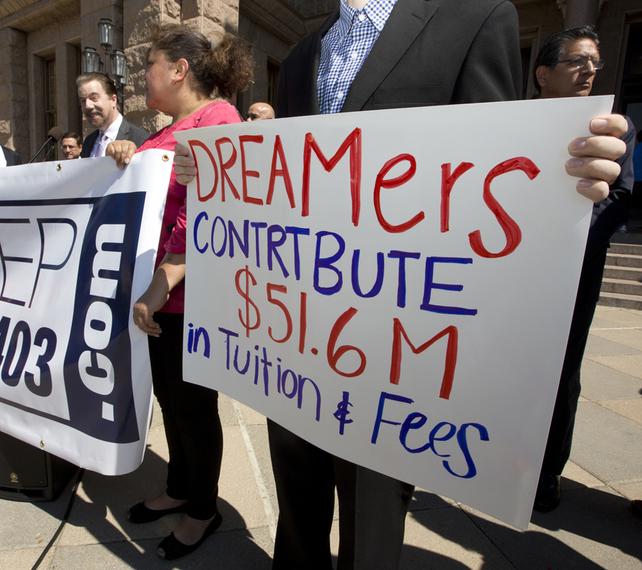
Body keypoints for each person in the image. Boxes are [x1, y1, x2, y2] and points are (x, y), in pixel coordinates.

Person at [171, 1, 630, 567]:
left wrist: (565, 176)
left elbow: (496, 170)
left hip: (394, 345)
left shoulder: (474, 18)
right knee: (297, 498)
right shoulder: (299, 59)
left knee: (372, 514)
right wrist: (217, 173)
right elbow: (285, 184)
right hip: (296, 332)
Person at [104, 24, 252, 561]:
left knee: (193, 407)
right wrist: (127, 153)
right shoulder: (166, 129)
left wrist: (164, 282)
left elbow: (205, 214)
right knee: (170, 397)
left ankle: (202, 509)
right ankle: (182, 487)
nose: (144, 74)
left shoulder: (219, 120)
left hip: (189, 294)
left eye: (150, 63)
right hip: (160, 291)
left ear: (179, 69)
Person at [533, 26, 636, 513]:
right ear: (543, 73)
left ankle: (548, 470)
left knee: (562, 373)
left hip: (574, 276)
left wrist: (568, 240)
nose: (589, 70)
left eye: (594, 62)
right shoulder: (515, 124)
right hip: (512, 271)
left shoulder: (613, 131)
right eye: (576, 61)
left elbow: (619, 196)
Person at [77, 72, 149, 158]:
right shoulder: (89, 142)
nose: (88, 106)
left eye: (94, 98)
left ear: (113, 100)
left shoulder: (139, 139)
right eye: (83, 100)